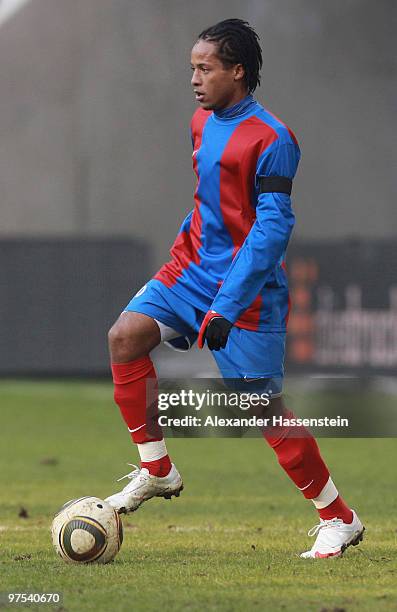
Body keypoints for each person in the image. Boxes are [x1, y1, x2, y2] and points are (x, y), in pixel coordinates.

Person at [105, 18, 364, 559]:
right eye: (192, 68)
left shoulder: (274, 139)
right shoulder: (200, 121)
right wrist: (187, 251)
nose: (195, 79)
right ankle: (157, 470)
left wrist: (225, 304)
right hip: (188, 272)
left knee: (261, 410)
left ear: (238, 71)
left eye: (205, 68)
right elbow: (209, 201)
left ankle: (339, 518)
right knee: (125, 337)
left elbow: (271, 230)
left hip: (245, 294)